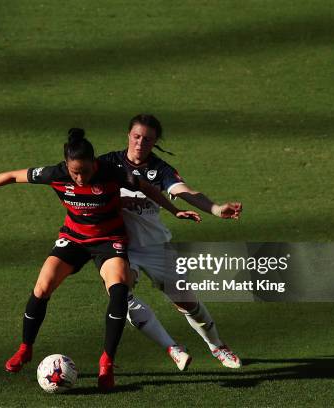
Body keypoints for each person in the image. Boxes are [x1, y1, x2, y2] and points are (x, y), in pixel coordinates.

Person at [0, 128, 201, 391]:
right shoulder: (54, 174)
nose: (80, 178)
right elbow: (12, 176)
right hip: (74, 239)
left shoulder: (112, 173)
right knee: (42, 287)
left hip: (108, 241)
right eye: (74, 172)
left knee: (118, 292)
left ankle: (107, 363)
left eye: (85, 172)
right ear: (66, 165)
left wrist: (176, 210)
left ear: (95, 163)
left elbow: (148, 188)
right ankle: (25, 349)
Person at [99, 114, 243, 369]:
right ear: (128, 136)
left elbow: (184, 191)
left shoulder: (160, 169)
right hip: (120, 246)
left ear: (155, 142)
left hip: (155, 246)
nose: (141, 143)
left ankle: (217, 346)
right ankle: (172, 347)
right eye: (137, 136)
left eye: (148, 139)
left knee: (186, 302)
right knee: (120, 294)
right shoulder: (107, 163)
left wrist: (216, 209)